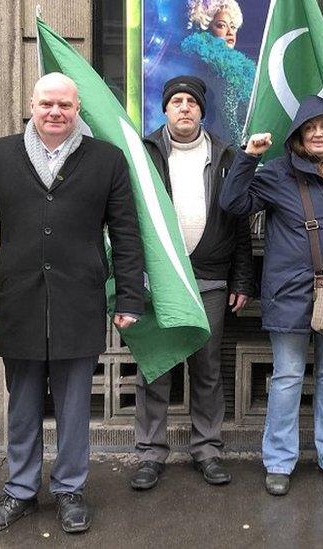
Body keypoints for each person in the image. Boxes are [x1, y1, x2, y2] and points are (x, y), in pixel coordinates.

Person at [0, 73, 144, 534]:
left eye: (64, 104)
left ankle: (69, 489)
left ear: (78, 107)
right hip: (17, 303)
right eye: (47, 103)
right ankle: (20, 490)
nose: (55, 112)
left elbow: (125, 233)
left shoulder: (107, 159)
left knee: (74, 403)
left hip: (79, 300)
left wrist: (129, 297)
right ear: (32, 104)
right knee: (21, 403)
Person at [220, 96, 323, 496]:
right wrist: (247, 157)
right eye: (310, 128)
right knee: (289, 377)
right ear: (297, 135)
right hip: (290, 294)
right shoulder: (276, 173)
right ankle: (278, 461)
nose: (318, 133)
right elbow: (232, 203)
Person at [131, 75, 254, 490]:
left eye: (191, 102)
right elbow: (127, 219)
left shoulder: (226, 155)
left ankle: (207, 449)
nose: (184, 107)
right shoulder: (143, 153)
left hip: (211, 280)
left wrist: (240, 277)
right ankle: (150, 453)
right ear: (164, 109)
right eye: (176, 101)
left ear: (203, 110)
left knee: (208, 370)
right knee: (156, 367)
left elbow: (239, 224)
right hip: (158, 280)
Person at [181, 0, 256, 145]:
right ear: (206, 27)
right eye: (221, 25)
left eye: (233, 27)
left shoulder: (242, 69)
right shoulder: (201, 64)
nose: (230, 33)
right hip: (215, 150)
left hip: (242, 150)